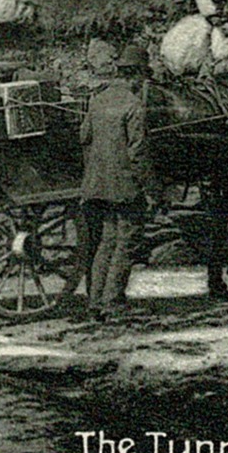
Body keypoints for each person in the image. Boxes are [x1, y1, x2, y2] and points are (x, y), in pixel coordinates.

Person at [77, 42, 157, 319]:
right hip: (123, 187)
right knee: (126, 241)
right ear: (135, 75)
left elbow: (84, 137)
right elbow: (137, 153)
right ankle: (113, 302)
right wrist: (151, 189)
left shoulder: (97, 101)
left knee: (107, 241)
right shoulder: (134, 106)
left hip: (96, 185)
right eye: (142, 77)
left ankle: (94, 301)